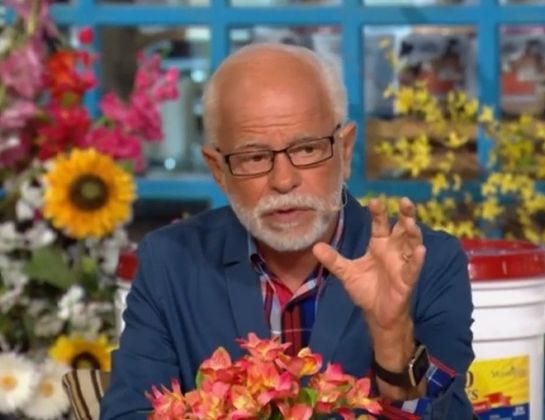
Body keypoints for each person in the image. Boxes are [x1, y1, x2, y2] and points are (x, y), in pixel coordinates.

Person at [100, 43, 474, 419]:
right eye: (254, 157)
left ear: (345, 150)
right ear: (218, 169)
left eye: (307, 150)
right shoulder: (171, 263)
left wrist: (391, 336)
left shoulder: (427, 263)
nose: (283, 180)